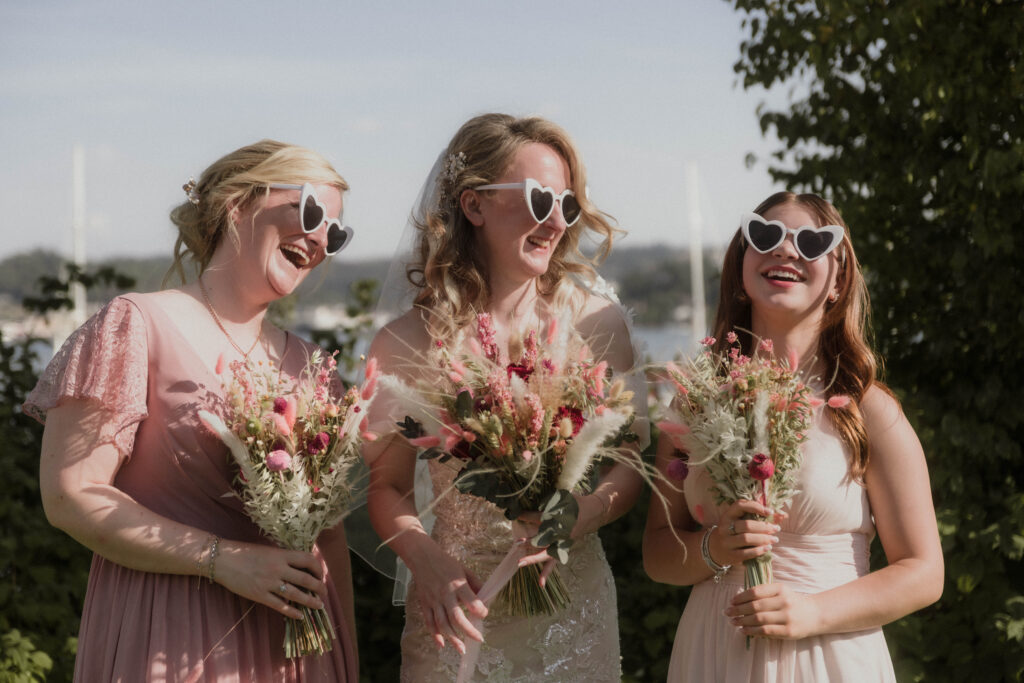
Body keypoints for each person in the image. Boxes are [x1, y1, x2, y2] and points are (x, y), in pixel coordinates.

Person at [24, 139, 359, 682]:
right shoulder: (135, 325)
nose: (321, 238)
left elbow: (331, 538)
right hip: (171, 631)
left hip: (295, 647)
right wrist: (222, 559)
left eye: (336, 233)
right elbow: (71, 494)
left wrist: (343, 663)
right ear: (237, 204)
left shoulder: (314, 366)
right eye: (312, 211)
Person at [364, 113, 647, 681]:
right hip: (456, 610)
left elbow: (631, 464)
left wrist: (579, 515)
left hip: (573, 608)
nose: (557, 222)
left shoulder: (597, 322)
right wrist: (425, 560)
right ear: (474, 205)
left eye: (568, 206)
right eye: (541, 199)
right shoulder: (405, 343)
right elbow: (386, 486)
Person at [643, 191, 944, 681]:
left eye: (810, 242)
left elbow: (925, 572)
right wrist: (714, 549)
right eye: (764, 236)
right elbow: (657, 552)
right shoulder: (693, 403)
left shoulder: (868, 409)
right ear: (741, 268)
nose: (786, 251)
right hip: (713, 653)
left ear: (838, 279)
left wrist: (813, 613)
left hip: (828, 657)